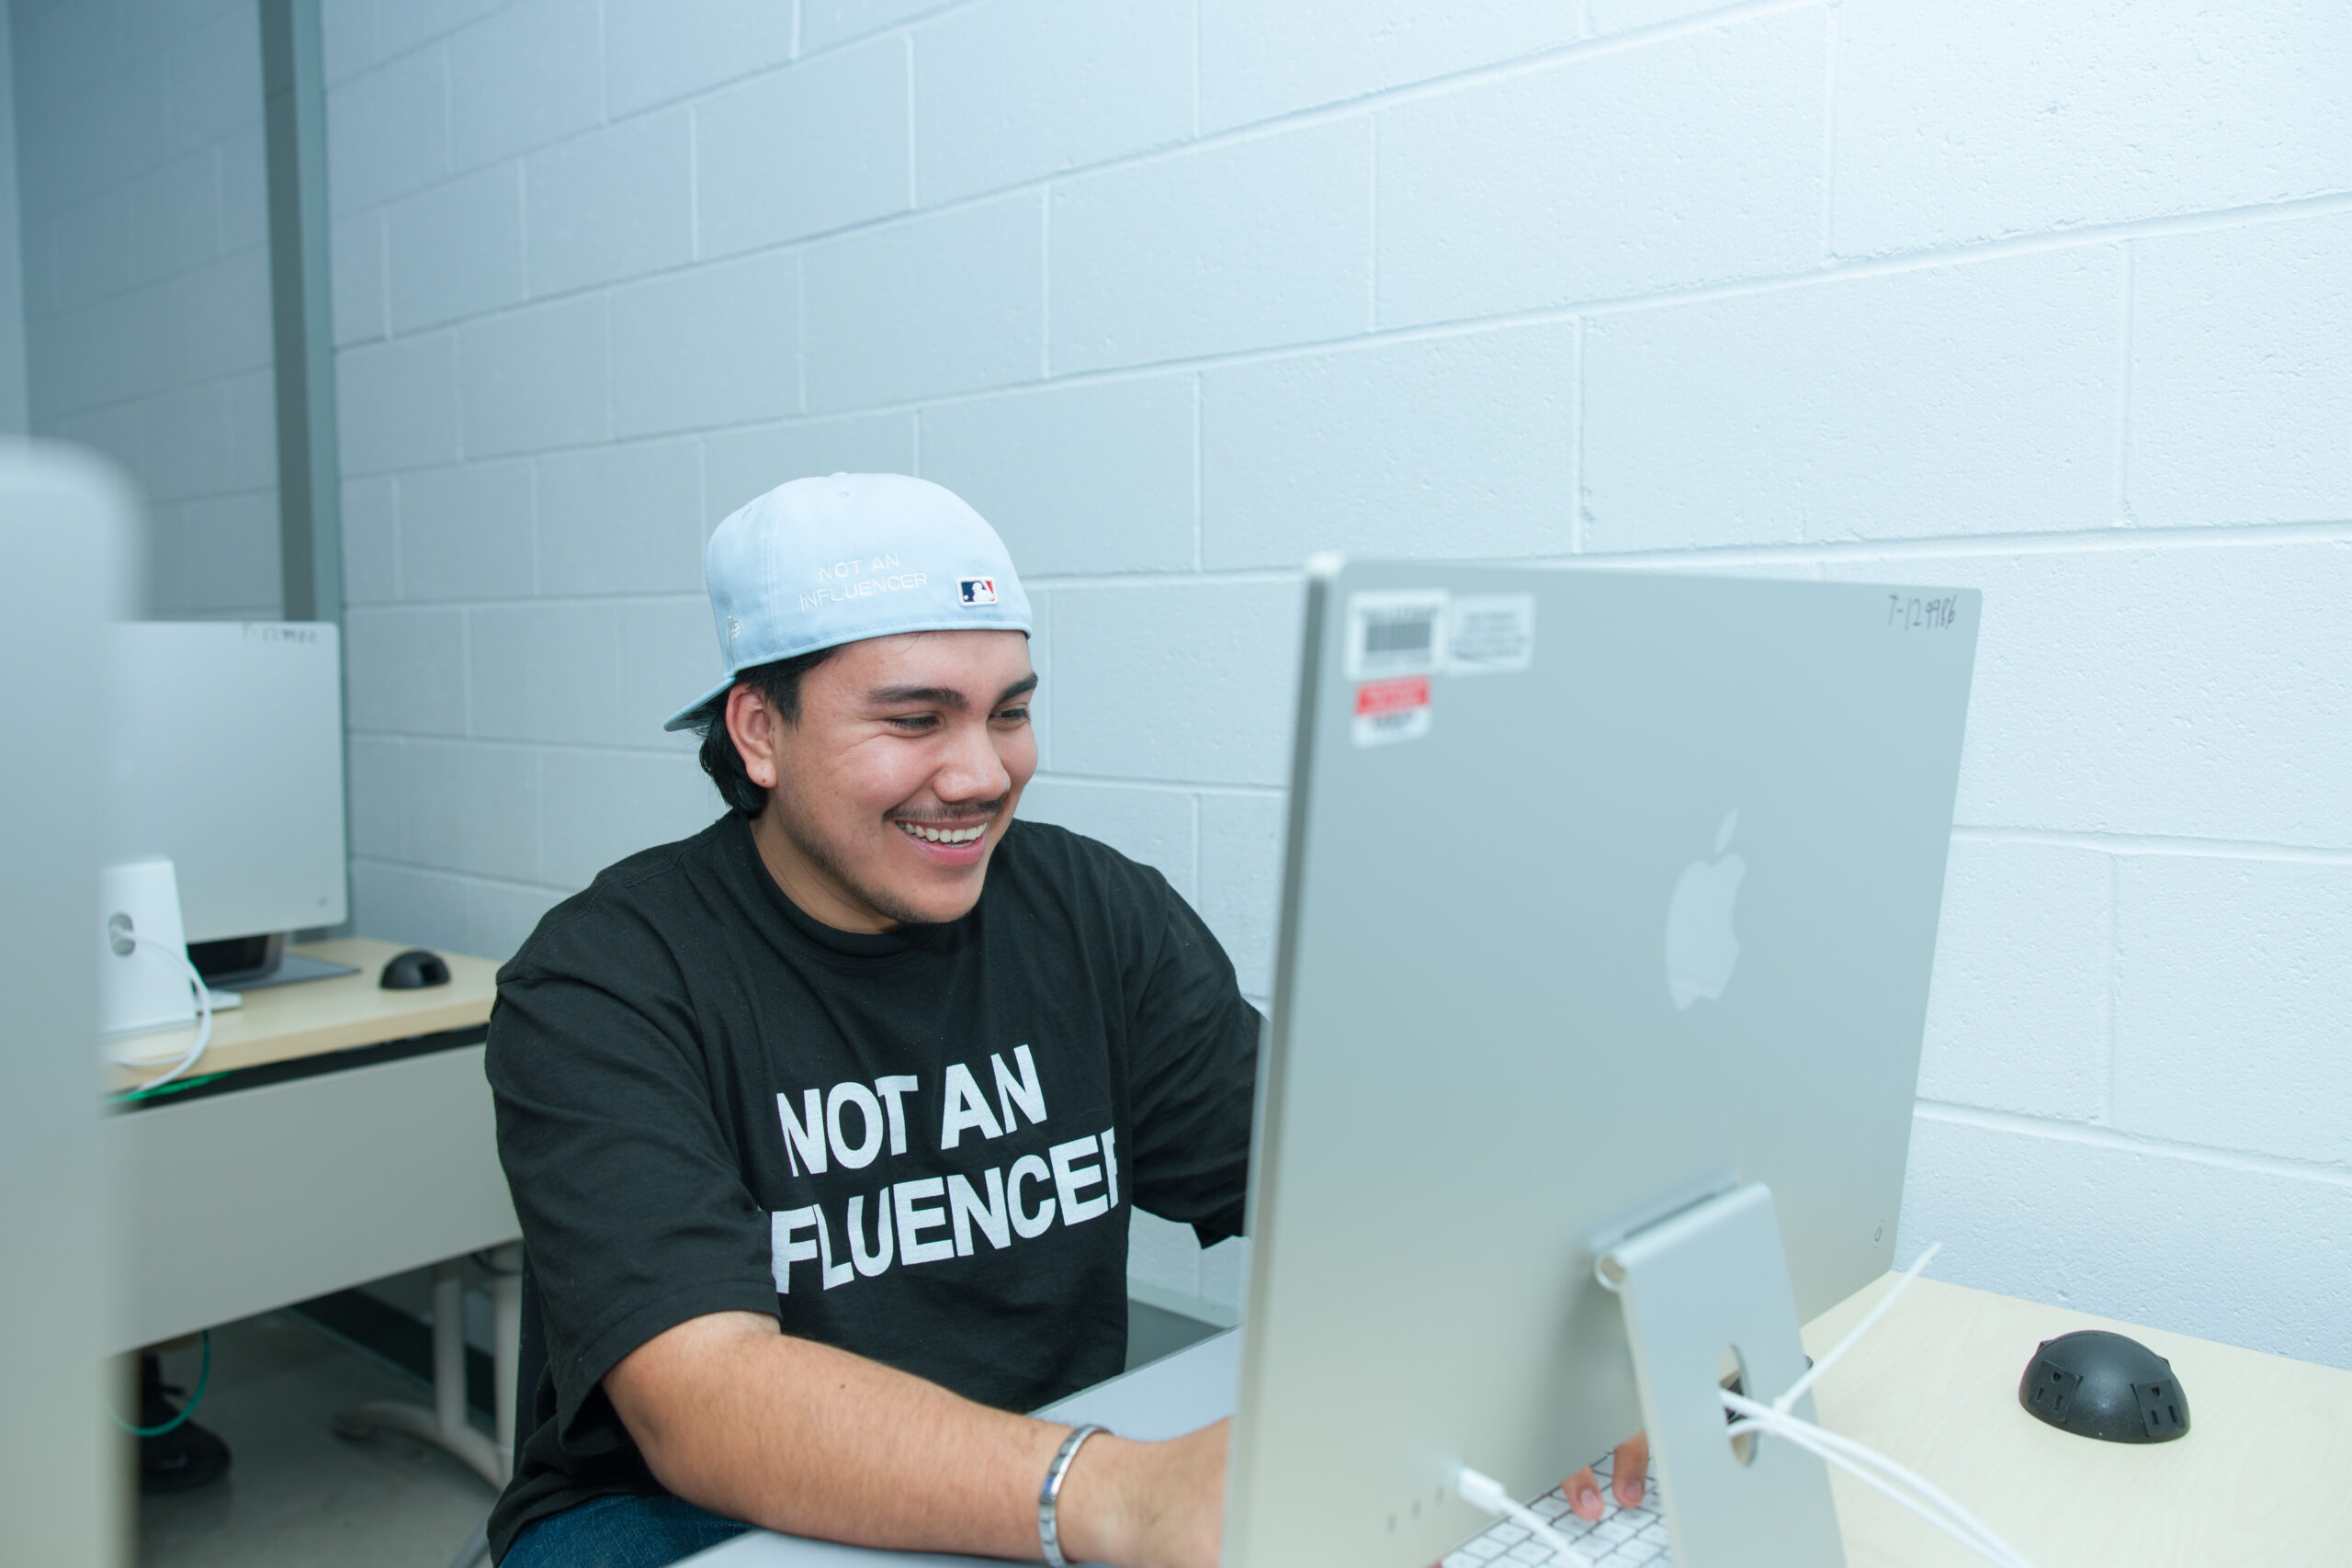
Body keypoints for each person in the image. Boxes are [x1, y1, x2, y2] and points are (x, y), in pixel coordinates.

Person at [484, 474, 1643, 1568]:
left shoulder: (1091, 912)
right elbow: (705, 1399)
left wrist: (1586, 1346)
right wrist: (1117, 1497)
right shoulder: (605, 980)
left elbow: (1335, 1183)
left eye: (1011, 713)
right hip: (674, 1517)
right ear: (758, 731)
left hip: (1037, 1468)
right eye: (916, 719)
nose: (983, 774)